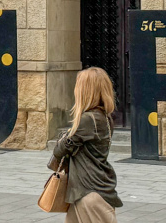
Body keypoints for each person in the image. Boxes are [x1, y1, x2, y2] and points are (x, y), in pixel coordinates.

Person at [52, 67, 123, 223]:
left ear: (86, 90)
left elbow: (59, 150)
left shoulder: (88, 120)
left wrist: (66, 135)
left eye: (79, 85)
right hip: (84, 190)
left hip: (89, 193)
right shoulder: (103, 117)